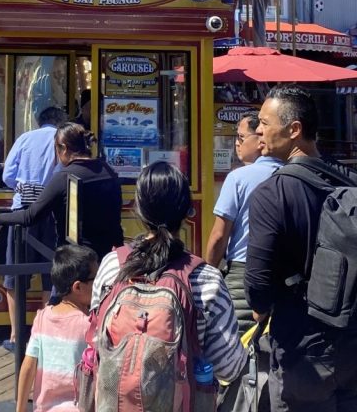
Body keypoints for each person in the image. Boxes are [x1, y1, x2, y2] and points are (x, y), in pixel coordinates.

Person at [245, 85, 357, 412]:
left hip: (303, 351)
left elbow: (258, 288)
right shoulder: (349, 180)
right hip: (352, 339)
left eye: (265, 122)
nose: (258, 130)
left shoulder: (272, 193)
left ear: (294, 129)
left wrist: (262, 308)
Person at [92, 162, 245, 384]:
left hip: (114, 397)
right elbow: (229, 368)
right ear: (187, 211)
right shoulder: (207, 280)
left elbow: (96, 340)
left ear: (139, 209)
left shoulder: (112, 266)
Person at [0, 122, 124, 261]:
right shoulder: (109, 172)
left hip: (76, 260)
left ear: (64, 149)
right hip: (106, 258)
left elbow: (30, 216)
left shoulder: (64, 177)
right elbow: (116, 221)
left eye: (56, 150)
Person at [205, 113, 282, 334]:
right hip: (284, 277)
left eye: (240, 137)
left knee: (236, 342)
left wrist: (208, 276)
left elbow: (219, 236)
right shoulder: (290, 175)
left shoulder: (238, 178)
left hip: (243, 276)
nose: (236, 144)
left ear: (260, 139)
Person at [0, 105, 65, 352]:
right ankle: (44, 334)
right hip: (51, 212)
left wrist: (24, 187)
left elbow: (7, 175)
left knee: (15, 274)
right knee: (51, 273)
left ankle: (16, 335)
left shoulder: (25, 138)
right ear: (59, 121)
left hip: (21, 212)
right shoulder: (60, 140)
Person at [16, 244, 98, 412]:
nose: (99, 285)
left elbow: (28, 367)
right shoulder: (89, 325)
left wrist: (20, 409)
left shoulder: (42, 318)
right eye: (95, 280)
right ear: (78, 287)